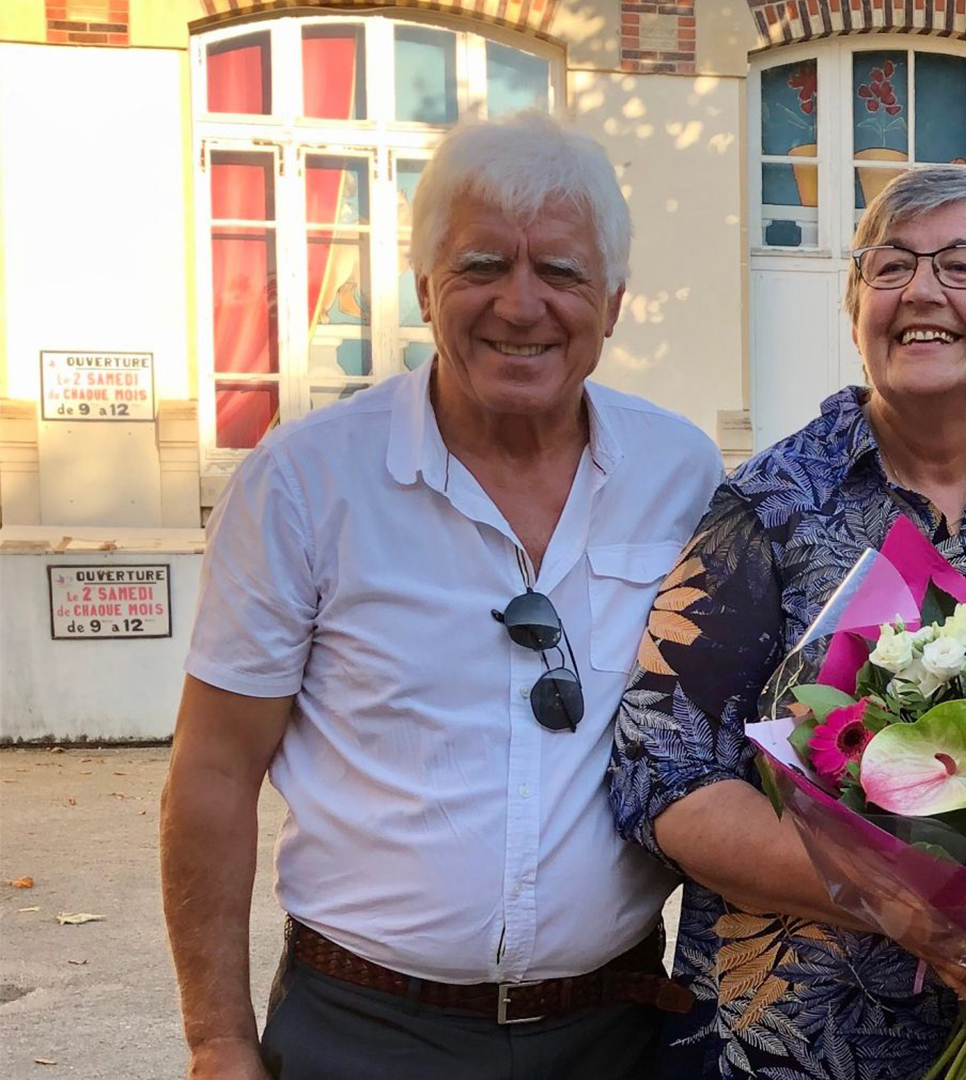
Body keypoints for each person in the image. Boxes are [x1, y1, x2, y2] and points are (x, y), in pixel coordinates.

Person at [159, 112, 723, 1079]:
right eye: (479, 267)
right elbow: (213, 771)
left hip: (614, 1033)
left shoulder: (680, 471)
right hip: (364, 1033)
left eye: (560, 272)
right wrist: (218, 1042)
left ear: (615, 303)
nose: (520, 304)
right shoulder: (306, 482)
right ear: (425, 289)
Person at [607, 165, 966, 1079]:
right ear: (856, 303)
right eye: (890, 266)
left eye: (960, 266)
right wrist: (901, 902)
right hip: (804, 1045)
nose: (920, 291)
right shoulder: (766, 512)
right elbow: (659, 776)